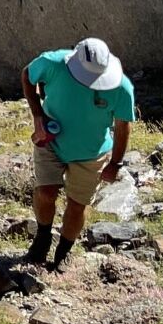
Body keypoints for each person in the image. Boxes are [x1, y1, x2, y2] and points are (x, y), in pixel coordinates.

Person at [21, 37, 134, 270]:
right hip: (50, 142)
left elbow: (123, 126)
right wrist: (37, 114)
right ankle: (42, 239)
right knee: (46, 192)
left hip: (92, 154)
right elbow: (27, 75)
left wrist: (116, 163)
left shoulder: (122, 87)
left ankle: (63, 253)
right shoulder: (52, 63)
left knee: (77, 205)